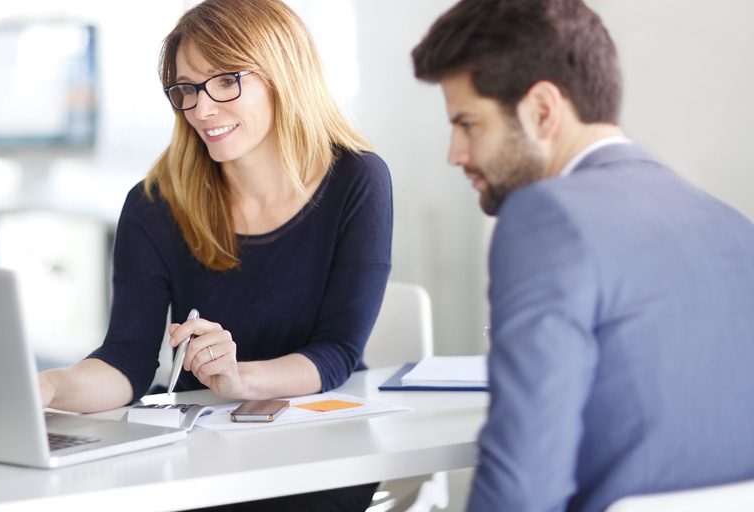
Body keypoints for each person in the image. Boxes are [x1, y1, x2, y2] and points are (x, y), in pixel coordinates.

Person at [40, 0, 392, 509]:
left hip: (319, 448)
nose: (202, 109)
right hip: (202, 451)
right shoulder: (154, 204)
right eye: (186, 89)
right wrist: (50, 385)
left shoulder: (357, 180)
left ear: (281, 74)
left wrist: (238, 377)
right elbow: (126, 362)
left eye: (226, 81)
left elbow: (336, 352)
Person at [410, 0, 754, 511]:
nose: (455, 154)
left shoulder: (544, 215)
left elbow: (522, 487)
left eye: (468, 124)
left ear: (543, 111)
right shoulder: (731, 223)